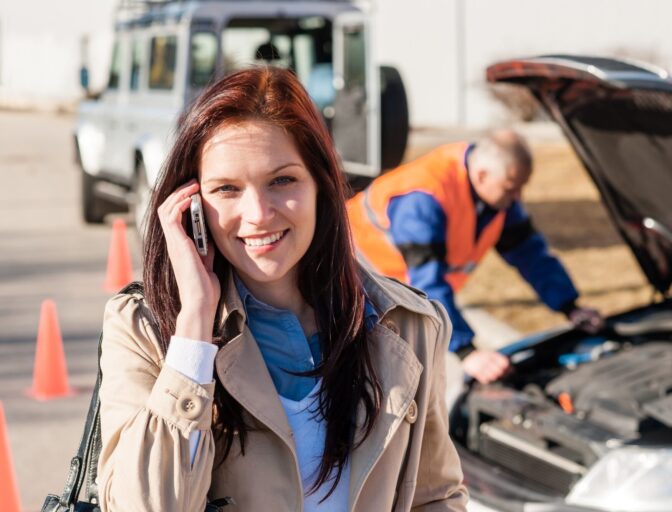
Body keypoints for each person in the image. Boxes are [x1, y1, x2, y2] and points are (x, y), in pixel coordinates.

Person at [96, 67, 467, 511]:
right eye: (227, 189)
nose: (257, 213)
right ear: (192, 206)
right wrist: (194, 326)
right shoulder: (144, 330)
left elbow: (435, 495)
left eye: (282, 180)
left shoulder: (406, 325)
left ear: (320, 186)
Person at [348, 131, 603, 385]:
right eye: (512, 188)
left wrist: (570, 306)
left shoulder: (498, 195)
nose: (518, 198)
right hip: (352, 278)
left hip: (398, 289)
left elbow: (532, 256)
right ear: (482, 176)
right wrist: (466, 351)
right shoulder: (424, 200)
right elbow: (426, 284)